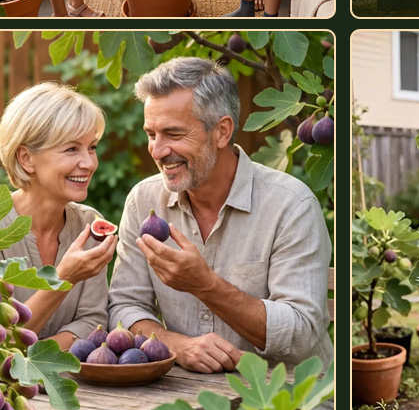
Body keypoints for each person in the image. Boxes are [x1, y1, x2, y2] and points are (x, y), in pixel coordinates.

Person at [107, 57, 333, 374]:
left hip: (289, 398)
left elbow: (301, 333)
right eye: (151, 134)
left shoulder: (291, 205)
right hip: (185, 394)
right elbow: (125, 307)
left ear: (222, 131)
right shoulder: (143, 200)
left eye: (173, 133)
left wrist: (205, 285)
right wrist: (177, 345)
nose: (157, 151)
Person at [0, 82, 117, 349]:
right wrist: (64, 277)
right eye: (71, 149)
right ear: (26, 158)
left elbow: (93, 321)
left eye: (92, 147)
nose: (89, 163)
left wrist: (40, 359)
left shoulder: (88, 224)